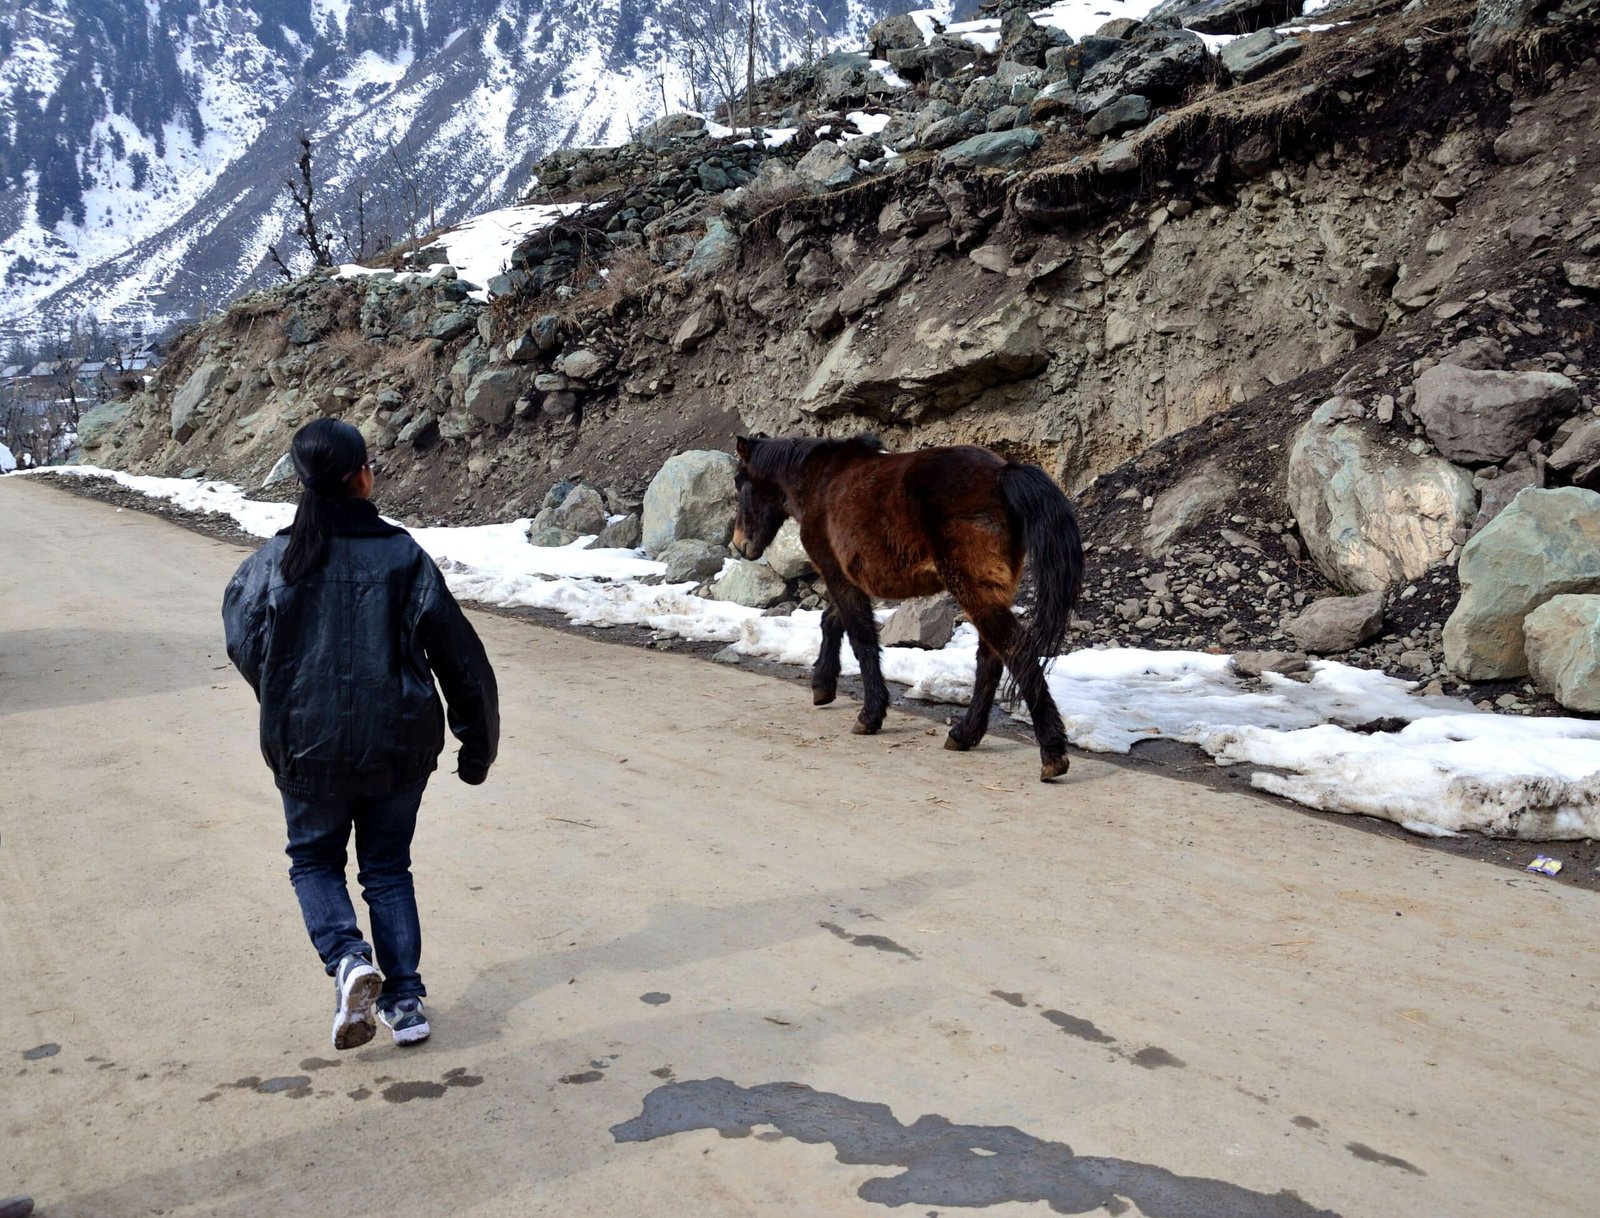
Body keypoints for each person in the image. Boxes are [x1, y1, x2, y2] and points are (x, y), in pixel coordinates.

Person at [223, 419, 498, 1050]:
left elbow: (243, 641)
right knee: (387, 867)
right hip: (398, 746)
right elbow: (461, 658)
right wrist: (476, 744)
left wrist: (287, 698)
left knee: (315, 860)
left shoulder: (274, 561)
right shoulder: (403, 557)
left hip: (307, 747)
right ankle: (404, 1002)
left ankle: (349, 958)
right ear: (361, 477)